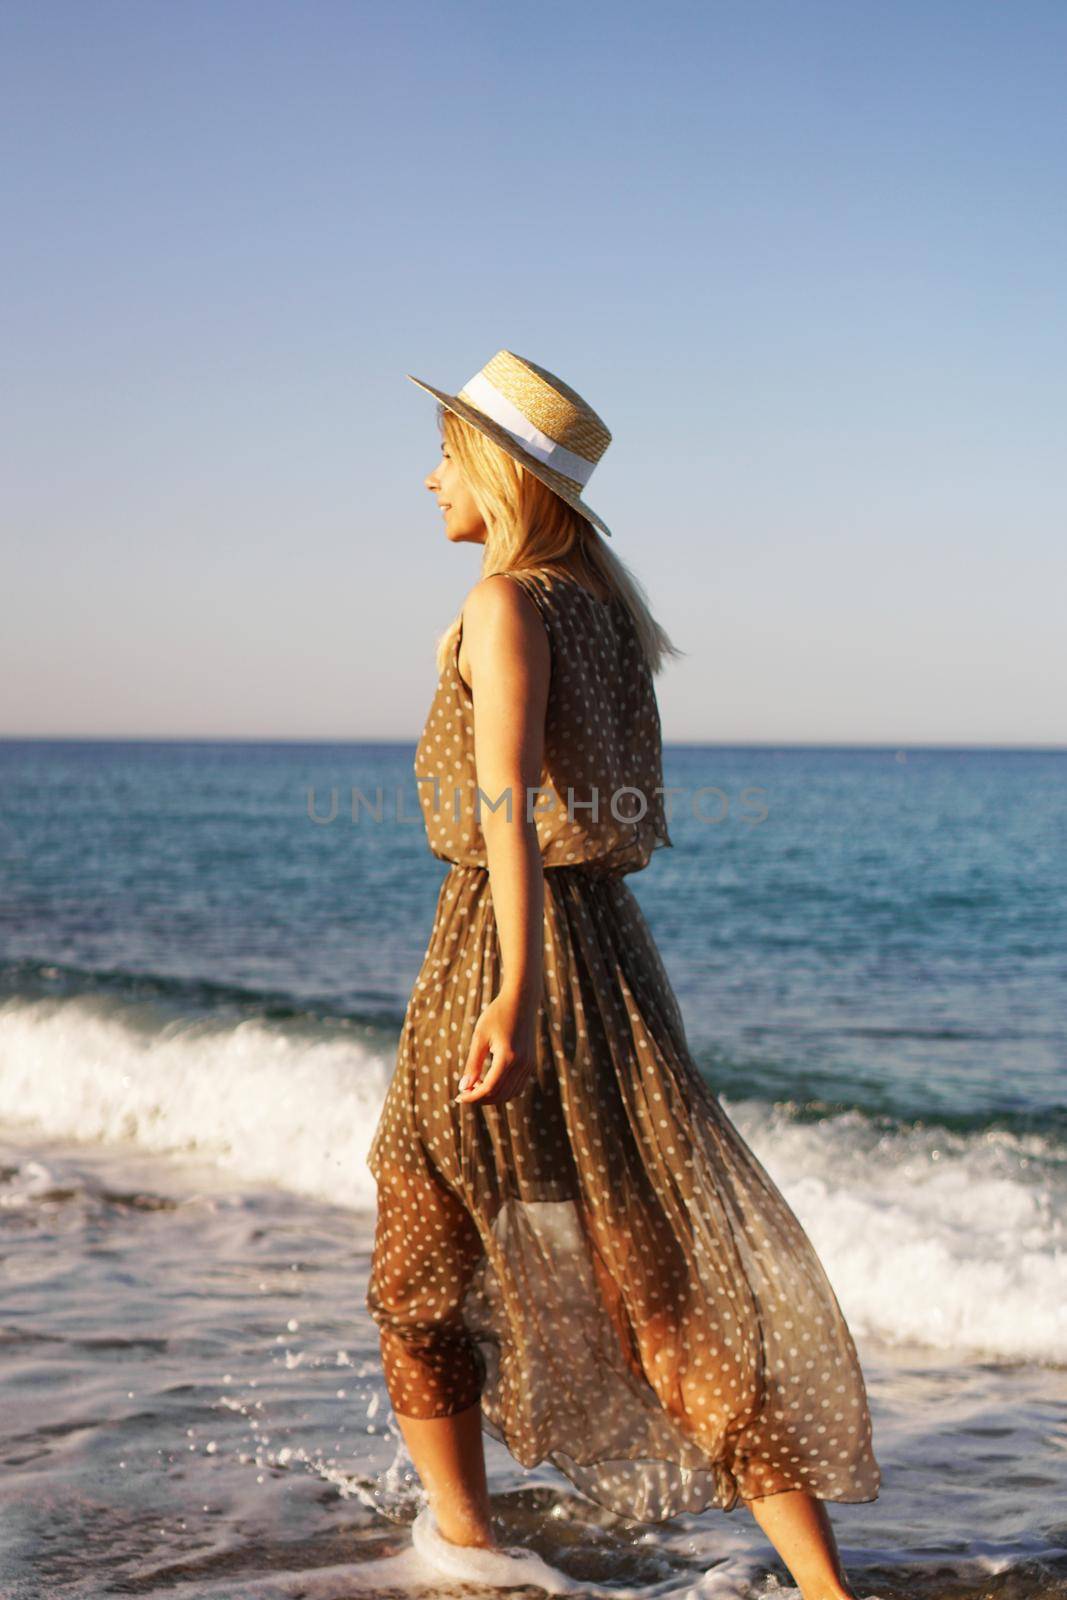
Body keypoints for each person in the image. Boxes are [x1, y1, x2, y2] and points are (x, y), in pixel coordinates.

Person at [366, 350, 881, 1600]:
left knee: (415, 1260)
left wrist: (513, 992)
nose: (428, 472)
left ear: (499, 470)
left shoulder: (506, 604)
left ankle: (467, 1552)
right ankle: (823, 1587)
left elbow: (505, 815)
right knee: (660, 1299)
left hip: (504, 944)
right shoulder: (602, 605)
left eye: (446, 449)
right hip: (612, 959)